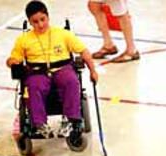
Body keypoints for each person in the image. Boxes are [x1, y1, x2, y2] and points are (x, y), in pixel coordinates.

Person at [6, 0, 98, 137]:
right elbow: (14, 58)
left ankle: (70, 120)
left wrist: (93, 71)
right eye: (35, 21)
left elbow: (83, 51)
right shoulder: (23, 39)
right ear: (30, 22)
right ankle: (40, 124)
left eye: (43, 19)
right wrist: (11, 61)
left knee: (71, 81)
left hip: (62, 67)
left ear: (48, 17)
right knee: (34, 85)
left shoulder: (63, 34)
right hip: (38, 71)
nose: (40, 24)